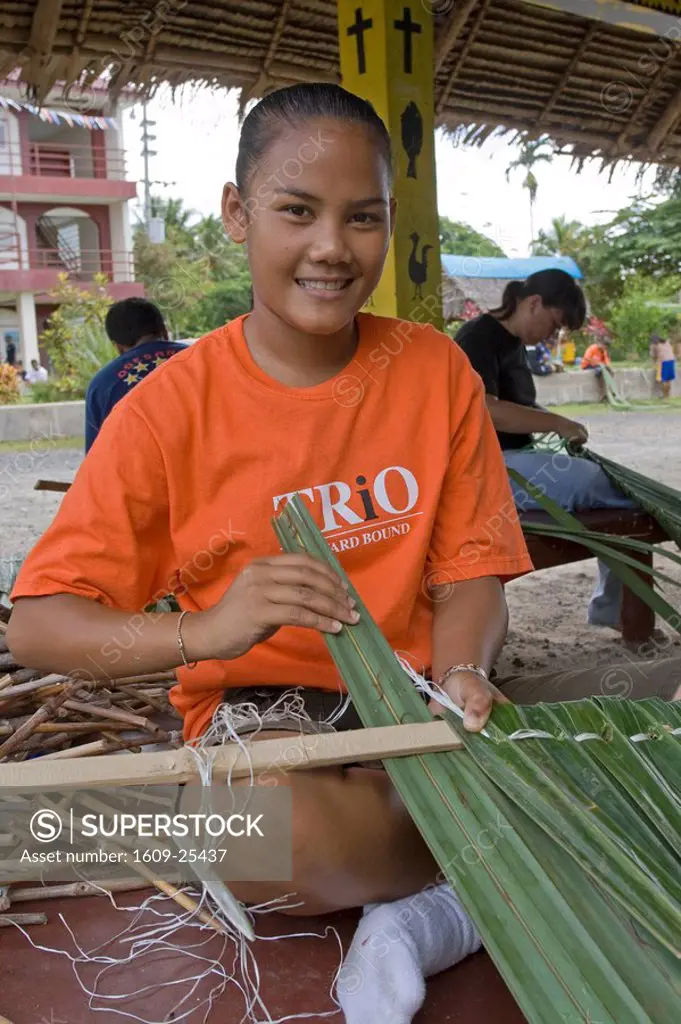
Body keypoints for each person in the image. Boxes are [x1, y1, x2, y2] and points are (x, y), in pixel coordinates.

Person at [8, 83, 535, 1024]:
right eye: (297, 211)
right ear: (236, 213)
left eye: (361, 218)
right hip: (259, 728)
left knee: (313, 828)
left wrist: (462, 669)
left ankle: (433, 889)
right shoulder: (167, 411)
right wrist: (208, 628)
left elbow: (471, 574)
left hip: (414, 718)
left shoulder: (432, 370)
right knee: (245, 830)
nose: (332, 248)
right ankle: (478, 877)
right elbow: (42, 626)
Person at [456, 271, 636, 631]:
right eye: (554, 325)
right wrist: (555, 423)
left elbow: (519, 407)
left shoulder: (513, 342)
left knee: (621, 494)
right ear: (533, 302)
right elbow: (485, 409)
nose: (552, 337)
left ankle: (613, 610)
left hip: (513, 465)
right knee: (606, 487)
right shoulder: (477, 338)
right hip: (486, 471)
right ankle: (614, 610)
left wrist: (553, 422)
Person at [84, 298, 185, 451]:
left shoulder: (103, 385)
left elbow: (96, 458)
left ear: (117, 346)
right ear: (164, 331)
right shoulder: (203, 359)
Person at [581, 332, 612, 400]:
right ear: (600, 343)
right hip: (588, 365)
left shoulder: (603, 351)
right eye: (604, 345)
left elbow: (606, 360)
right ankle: (602, 394)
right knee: (600, 372)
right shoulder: (592, 348)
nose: (604, 347)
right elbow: (587, 358)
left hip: (598, 366)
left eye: (606, 346)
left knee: (610, 371)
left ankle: (609, 390)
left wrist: (608, 366)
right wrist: (598, 363)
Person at [650, 333, 676, 399]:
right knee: (668, 380)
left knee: (663, 380)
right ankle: (667, 395)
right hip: (672, 361)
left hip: (665, 362)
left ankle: (664, 396)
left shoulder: (656, 345)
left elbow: (654, 356)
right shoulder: (667, 343)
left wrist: (654, 362)